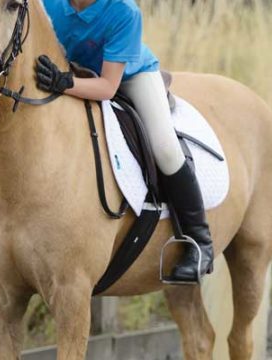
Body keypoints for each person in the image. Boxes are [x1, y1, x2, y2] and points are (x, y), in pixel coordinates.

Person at [37, 0, 213, 283]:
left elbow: (107, 87)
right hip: (69, 70)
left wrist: (65, 83)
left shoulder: (124, 11)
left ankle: (199, 243)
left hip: (128, 77)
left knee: (165, 149)